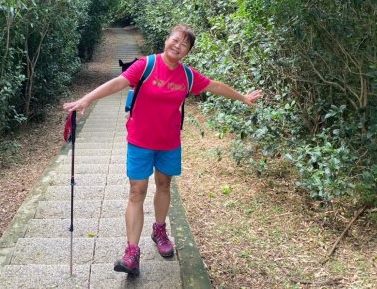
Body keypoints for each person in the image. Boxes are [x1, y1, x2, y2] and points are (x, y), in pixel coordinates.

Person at [62, 24, 263, 276]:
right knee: (137, 191)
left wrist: (243, 97)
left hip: (169, 143)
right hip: (139, 141)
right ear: (167, 40)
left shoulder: (188, 76)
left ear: (187, 52)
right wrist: (87, 98)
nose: (177, 46)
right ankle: (132, 252)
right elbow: (118, 82)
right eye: (175, 40)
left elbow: (215, 86)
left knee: (164, 185)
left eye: (184, 45)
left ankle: (159, 230)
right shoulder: (146, 65)